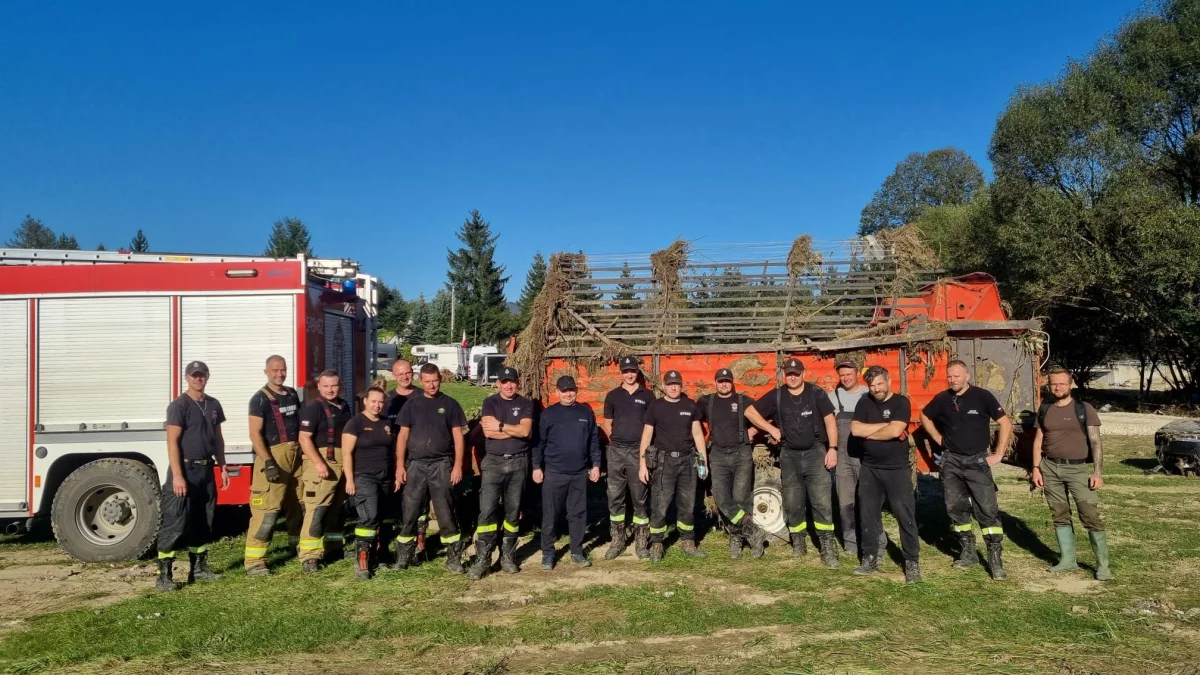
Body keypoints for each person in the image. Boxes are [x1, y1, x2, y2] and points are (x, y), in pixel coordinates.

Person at [920, 359, 1013, 581]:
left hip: (977, 461)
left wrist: (998, 454)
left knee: (987, 509)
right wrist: (937, 437)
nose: (953, 380)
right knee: (955, 507)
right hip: (951, 461)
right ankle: (968, 551)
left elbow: (1005, 423)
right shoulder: (943, 399)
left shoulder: (982, 396)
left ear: (967, 376)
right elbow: (924, 415)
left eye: (957, 376)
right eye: (949, 376)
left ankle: (994, 558)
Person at [745, 358, 840, 568]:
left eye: (796, 373)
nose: (793, 376)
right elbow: (750, 412)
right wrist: (770, 429)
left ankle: (827, 547)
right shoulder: (777, 396)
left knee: (821, 502)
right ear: (783, 375)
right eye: (789, 373)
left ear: (803, 374)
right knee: (793, 502)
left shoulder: (816, 394)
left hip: (816, 452)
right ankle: (799, 543)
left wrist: (832, 448)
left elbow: (830, 421)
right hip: (789, 455)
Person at [156, 360, 230, 592]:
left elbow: (217, 439)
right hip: (185, 471)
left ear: (207, 376)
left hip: (206, 470)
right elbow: (172, 441)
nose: (199, 379)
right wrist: (177, 476)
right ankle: (164, 576)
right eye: (194, 375)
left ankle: (198, 569)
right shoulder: (179, 406)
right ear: (187, 378)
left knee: (203, 521)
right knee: (175, 522)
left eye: (202, 375)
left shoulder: (213, 404)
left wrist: (223, 466)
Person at [1032, 367, 1110, 580]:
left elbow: (1096, 442)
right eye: (1053, 384)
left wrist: (1097, 472)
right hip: (1049, 468)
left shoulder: (1084, 409)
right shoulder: (1045, 408)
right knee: (1059, 513)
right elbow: (1038, 441)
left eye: (1062, 383)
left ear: (1070, 384)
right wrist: (1036, 468)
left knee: (1090, 514)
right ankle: (1067, 560)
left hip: (1077, 469)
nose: (1057, 387)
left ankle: (1103, 565)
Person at [393, 363, 469, 573]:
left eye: (435, 380)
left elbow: (458, 436)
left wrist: (457, 466)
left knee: (445, 512)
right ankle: (404, 556)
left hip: (441, 464)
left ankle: (453, 558)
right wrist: (400, 465)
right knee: (410, 512)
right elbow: (402, 436)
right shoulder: (411, 405)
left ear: (440, 379)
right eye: (427, 381)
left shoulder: (450, 404)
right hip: (416, 465)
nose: (431, 385)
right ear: (421, 382)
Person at [850, 366, 921, 583]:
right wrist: (885, 426)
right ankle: (870, 557)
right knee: (868, 514)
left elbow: (896, 431)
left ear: (888, 381)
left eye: (880, 384)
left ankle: (911, 562)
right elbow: (855, 430)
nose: (876, 389)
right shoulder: (864, 402)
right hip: (870, 468)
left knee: (904, 515)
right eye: (871, 385)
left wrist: (870, 432)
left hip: (897, 470)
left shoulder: (901, 402)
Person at [468, 366, 534, 580]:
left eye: (512, 381)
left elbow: (525, 431)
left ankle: (508, 557)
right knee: (487, 512)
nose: (509, 385)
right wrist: (511, 430)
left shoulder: (525, 403)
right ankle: (483, 559)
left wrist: (501, 426)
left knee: (512, 512)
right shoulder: (490, 402)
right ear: (498, 383)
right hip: (494, 463)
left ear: (518, 382)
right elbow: (488, 432)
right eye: (504, 381)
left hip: (518, 463)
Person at [638, 370, 709, 561]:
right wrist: (643, 464)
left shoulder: (690, 406)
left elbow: (698, 435)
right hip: (664, 462)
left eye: (676, 384)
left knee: (687, 504)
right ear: (664, 386)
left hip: (687, 461)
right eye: (670, 384)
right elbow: (646, 436)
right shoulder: (655, 406)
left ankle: (688, 542)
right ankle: (657, 544)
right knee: (660, 505)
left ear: (681, 385)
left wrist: (703, 462)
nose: (673, 387)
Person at [243, 355, 304, 576]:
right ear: (266, 371)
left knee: (298, 504)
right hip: (273, 456)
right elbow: (254, 433)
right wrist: (268, 462)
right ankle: (254, 560)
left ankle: (298, 546)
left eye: (283, 370)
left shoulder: (291, 394)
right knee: (267, 511)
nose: (280, 374)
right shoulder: (259, 399)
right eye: (275, 370)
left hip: (295, 456)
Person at [534, 376, 602, 569]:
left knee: (578, 513)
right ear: (557, 392)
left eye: (571, 390)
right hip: (554, 473)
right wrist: (536, 467)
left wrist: (596, 464)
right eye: (564, 391)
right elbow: (539, 444)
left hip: (579, 473)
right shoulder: (549, 414)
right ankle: (548, 553)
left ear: (576, 391)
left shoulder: (585, 413)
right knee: (550, 514)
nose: (568, 393)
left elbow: (593, 442)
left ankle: (577, 551)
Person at [697, 368, 764, 559]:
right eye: (720, 381)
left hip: (741, 453)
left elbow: (766, 413)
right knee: (721, 499)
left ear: (732, 382)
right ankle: (753, 530)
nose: (724, 384)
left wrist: (752, 431)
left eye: (727, 381)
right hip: (717, 455)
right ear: (715, 383)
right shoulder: (706, 402)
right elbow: (692, 420)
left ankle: (737, 539)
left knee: (741, 499)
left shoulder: (743, 401)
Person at [296, 370, 354, 572]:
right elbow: (304, 439)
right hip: (321, 463)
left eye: (334, 386)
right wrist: (319, 464)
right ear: (319, 387)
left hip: (341, 463)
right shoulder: (313, 409)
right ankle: (309, 556)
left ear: (340, 386)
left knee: (336, 510)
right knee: (317, 509)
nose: (330, 390)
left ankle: (334, 547)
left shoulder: (344, 407)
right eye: (326, 386)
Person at [601, 355, 655, 560]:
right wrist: (615, 440)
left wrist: (643, 451)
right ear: (621, 373)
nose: (630, 374)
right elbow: (607, 423)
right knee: (615, 497)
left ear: (637, 372)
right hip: (616, 451)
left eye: (633, 371)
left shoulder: (648, 396)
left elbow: (651, 426)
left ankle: (642, 544)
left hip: (637, 452)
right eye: (626, 371)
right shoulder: (613, 395)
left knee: (639, 497)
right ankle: (617, 541)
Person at [827, 360, 877, 560]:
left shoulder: (868, 394)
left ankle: (872, 540)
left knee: (868, 501)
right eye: (842, 375)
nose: (845, 378)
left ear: (857, 373)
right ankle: (850, 542)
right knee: (845, 501)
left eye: (849, 373)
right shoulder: (834, 397)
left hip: (866, 457)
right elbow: (827, 424)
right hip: (843, 458)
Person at [343, 386, 393, 580]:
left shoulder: (387, 422)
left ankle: (379, 556)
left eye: (381, 402)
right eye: (373, 401)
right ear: (365, 401)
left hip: (386, 477)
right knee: (368, 517)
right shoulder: (355, 423)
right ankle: (362, 561)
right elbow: (347, 453)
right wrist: (349, 479)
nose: (377, 405)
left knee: (383, 517)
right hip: (364, 476)